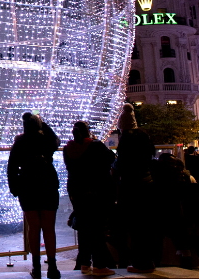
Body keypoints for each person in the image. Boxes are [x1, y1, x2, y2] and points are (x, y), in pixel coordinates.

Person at [8, 113, 62, 279]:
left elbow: (11, 168)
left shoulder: (19, 142)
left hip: (28, 186)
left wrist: (15, 188)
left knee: (33, 227)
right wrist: (43, 124)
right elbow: (56, 140)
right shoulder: (46, 141)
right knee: (48, 227)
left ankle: (36, 266)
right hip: (47, 185)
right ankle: (52, 266)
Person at [62, 121, 116, 276]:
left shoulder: (67, 149)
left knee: (84, 229)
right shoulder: (95, 146)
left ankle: (85, 263)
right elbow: (111, 159)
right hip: (95, 192)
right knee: (97, 228)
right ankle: (99, 265)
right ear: (88, 132)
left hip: (77, 193)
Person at [115, 103, 157, 274]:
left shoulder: (126, 141)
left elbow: (121, 165)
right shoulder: (144, 138)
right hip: (147, 185)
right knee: (145, 226)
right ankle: (147, 261)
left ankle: (139, 262)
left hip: (131, 187)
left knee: (133, 227)